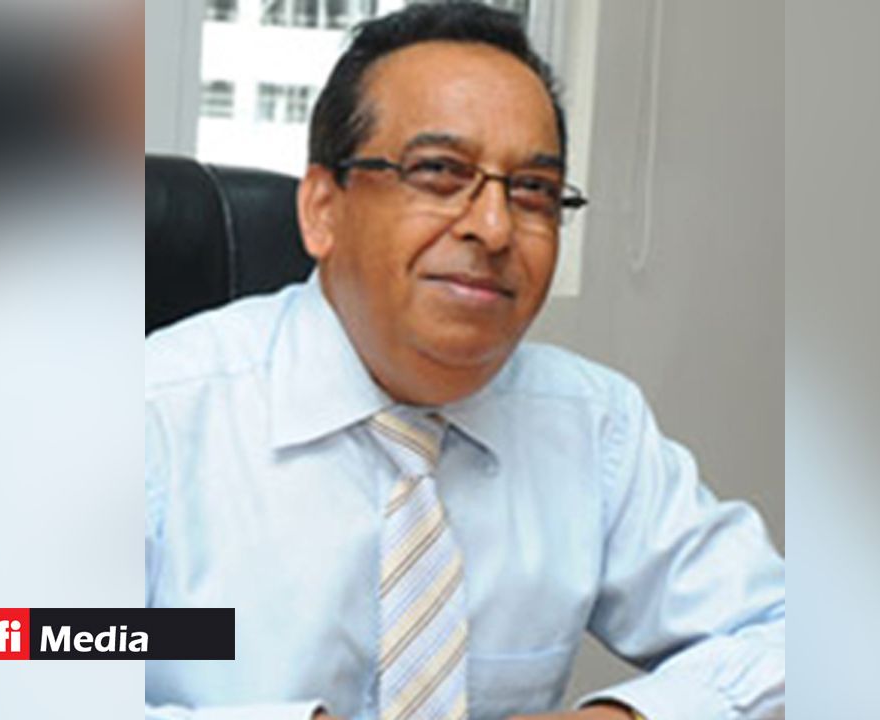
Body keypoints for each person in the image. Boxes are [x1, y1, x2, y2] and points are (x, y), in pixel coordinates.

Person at [145, 3, 784, 720]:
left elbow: (784, 632)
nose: (494, 227)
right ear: (323, 209)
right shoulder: (153, 415)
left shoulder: (592, 428)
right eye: (439, 172)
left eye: (533, 191)